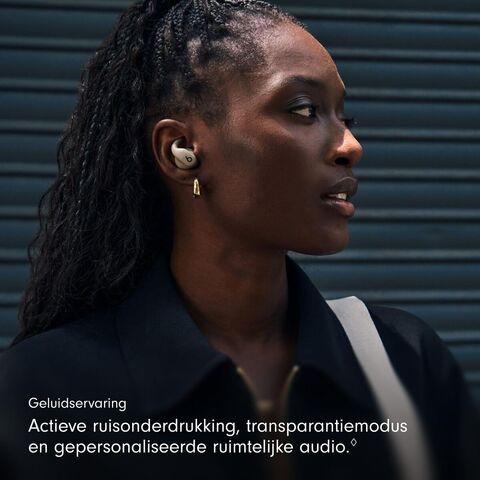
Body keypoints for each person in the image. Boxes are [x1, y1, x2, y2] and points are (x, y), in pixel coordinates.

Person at [0, 1, 478, 479]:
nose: (350, 146)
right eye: (304, 110)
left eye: (343, 117)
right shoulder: (37, 390)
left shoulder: (404, 360)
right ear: (181, 151)